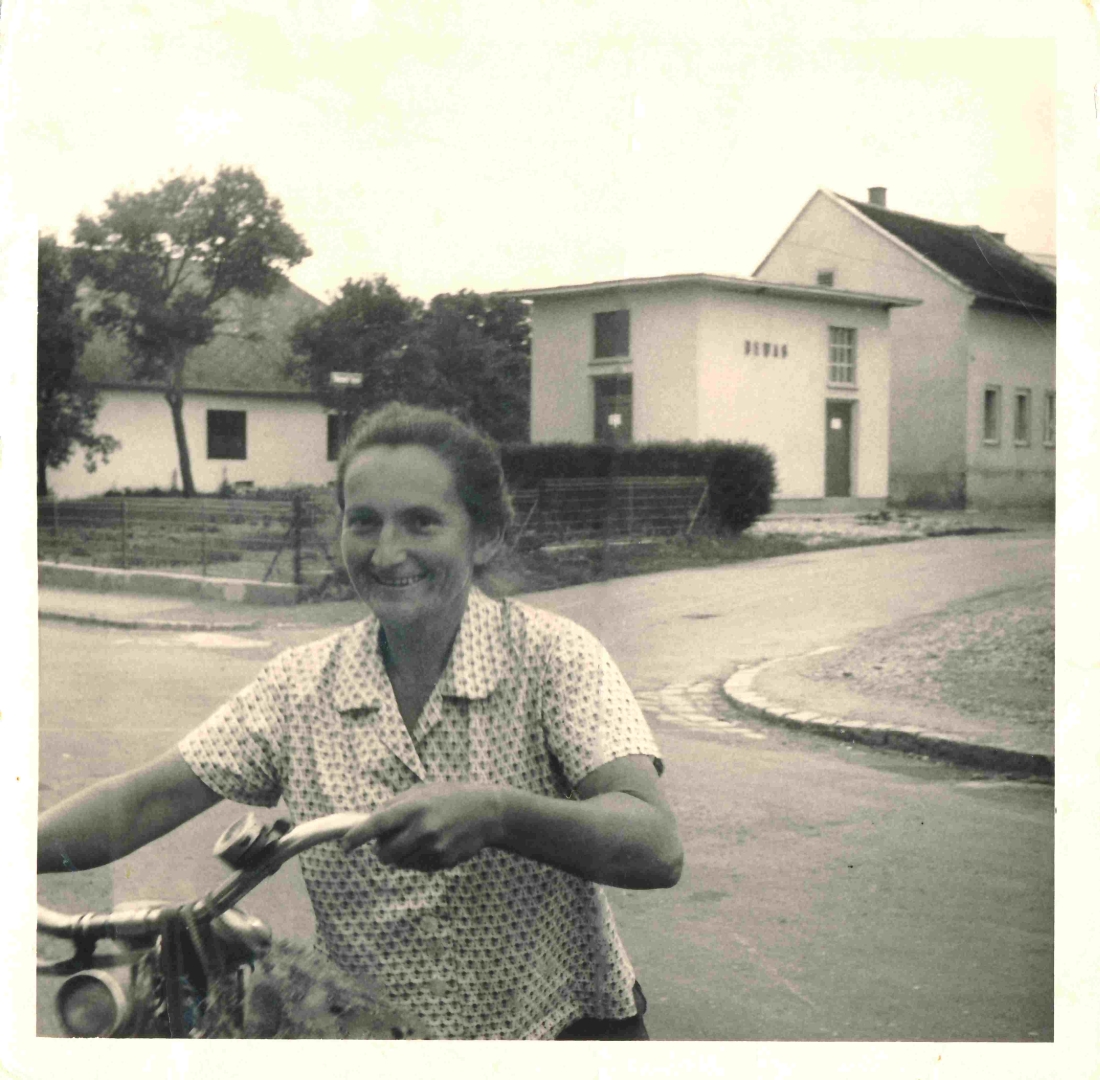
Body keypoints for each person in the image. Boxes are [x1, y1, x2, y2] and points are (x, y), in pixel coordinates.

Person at [38, 402, 684, 1040]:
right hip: (375, 1040)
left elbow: (655, 845)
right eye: (365, 522)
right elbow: (148, 797)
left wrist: (498, 814)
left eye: (422, 523)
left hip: (560, 1031)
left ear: (484, 535)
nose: (387, 553)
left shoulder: (553, 655)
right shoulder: (300, 684)